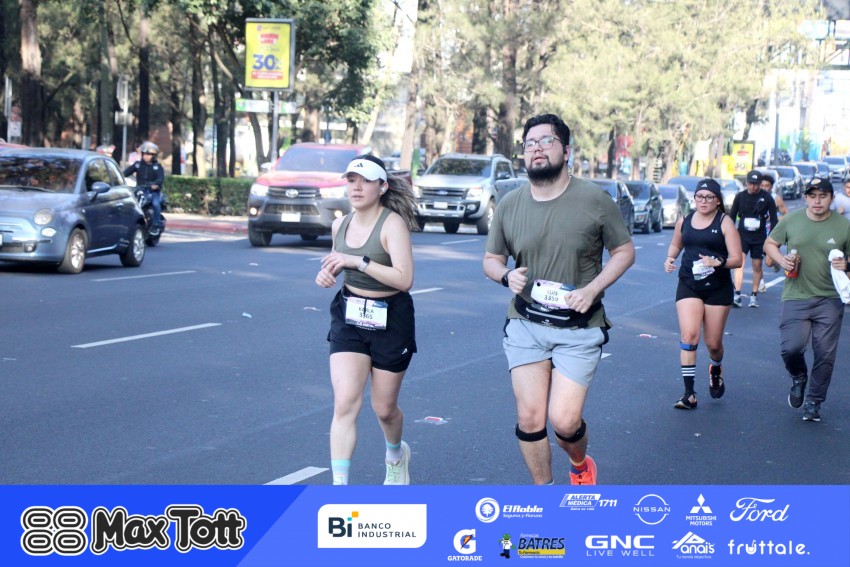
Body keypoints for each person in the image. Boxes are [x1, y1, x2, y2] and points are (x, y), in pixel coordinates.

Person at [483, 114, 635, 485]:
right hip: (526, 322)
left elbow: (624, 251)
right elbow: (491, 259)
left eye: (546, 141)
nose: (536, 149)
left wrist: (592, 289)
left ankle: (579, 464)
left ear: (566, 151)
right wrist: (505, 275)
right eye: (529, 143)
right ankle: (546, 495)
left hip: (578, 327)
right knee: (529, 418)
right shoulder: (509, 204)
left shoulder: (594, 200)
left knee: (565, 423)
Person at [315, 154, 419, 485]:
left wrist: (358, 261)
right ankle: (339, 489)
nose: (357, 187)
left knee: (384, 408)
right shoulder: (340, 225)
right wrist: (327, 273)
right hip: (350, 316)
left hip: (391, 318)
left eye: (365, 181)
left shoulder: (392, 225)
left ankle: (396, 455)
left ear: (382, 187)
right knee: (345, 402)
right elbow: (338, 263)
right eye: (351, 180)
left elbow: (404, 279)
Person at [764, 177, 850, 422]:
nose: (817, 201)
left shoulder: (844, 225)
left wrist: (847, 264)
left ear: (831, 198)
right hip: (795, 295)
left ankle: (814, 401)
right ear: (805, 198)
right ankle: (799, 376)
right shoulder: (792, 220)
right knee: (791, 348)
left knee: (824, 354)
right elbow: (770, 243)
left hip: (829, 299)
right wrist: (781, 260)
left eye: (822, 196)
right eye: (812, 196)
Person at [664, 179, 743, 409]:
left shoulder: (724, 222)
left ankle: (716, 367)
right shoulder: (685, 220)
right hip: (689, 284)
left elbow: (737, 259)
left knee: (713, 344)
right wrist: (670, 258)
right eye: (699, 196)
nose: (703, 201)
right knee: (689, 336)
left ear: (718, 200)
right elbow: (676, 244)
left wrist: (718, 262)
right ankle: (689, 394)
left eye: (709, 197)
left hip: (717, 288)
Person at [729, 170, 778, 308]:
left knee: (757, 265)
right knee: (740, 263)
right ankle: (737, 294)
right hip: (742, 235)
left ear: (760, 184)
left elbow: (774, 219)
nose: (752, 187)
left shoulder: (767, 198)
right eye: (750, 183)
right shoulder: (740, 196)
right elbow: (732, 216)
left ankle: (754, 295)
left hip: (759, 237)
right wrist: (729, 234)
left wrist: (772, 237)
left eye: (756, 184)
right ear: (746, 183)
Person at [123, 141, 165, 229]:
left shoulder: (158, 167)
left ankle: (156, 224)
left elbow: (160, 179)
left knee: (155, 204)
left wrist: (155, 185)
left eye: (149, 154)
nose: (146, 156)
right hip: (139, 189)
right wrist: (119, 179)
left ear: (154, 156)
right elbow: (125, 173)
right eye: (145, 154)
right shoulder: (138, 165)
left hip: (153, 191)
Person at [760, 172, 787, 283]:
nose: (764, 188)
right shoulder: (755, 198)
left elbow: (786, 215)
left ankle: (777, 261)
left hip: (772, 232)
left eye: (767, 186)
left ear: (771, 186)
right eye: (762, 185)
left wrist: (774, 218)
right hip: (758, 232)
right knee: (756, 260)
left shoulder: (776, 199)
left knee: (768, 262)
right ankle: (760, 283)